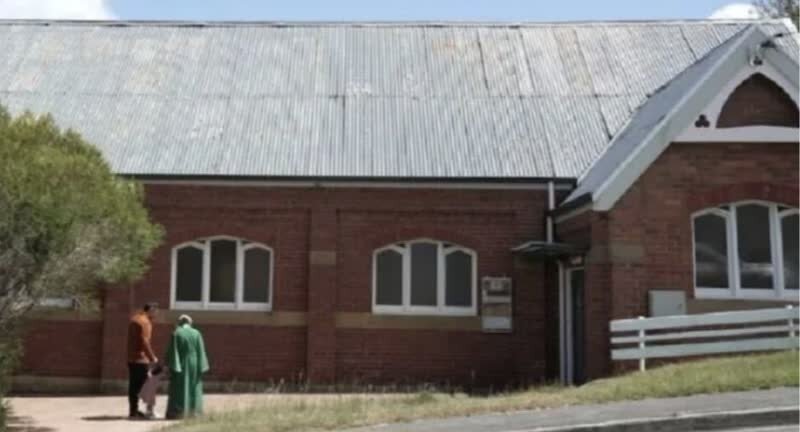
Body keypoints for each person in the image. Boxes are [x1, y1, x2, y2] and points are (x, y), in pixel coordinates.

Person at [166, 314, 209, 419]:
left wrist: (172, 364)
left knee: (179, 387)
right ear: (190, 322)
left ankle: (178, 412)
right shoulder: (196, 333)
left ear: (179, 322)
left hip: (181, 363)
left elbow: (173, 351)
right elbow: (201, 350)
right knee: (194, 386)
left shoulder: (176, 333)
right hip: (194, 362)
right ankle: (194, 412)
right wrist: (202, 365)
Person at [127, 302, 159, 419]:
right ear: (150, 310)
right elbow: (144, 341)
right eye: (155, 311)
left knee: (133, 386)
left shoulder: (134, 319)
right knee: (150, 383)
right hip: (141, 360)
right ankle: (149, 411)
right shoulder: (145, 322)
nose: (156, 314)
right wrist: (152, 358)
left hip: (131, 359)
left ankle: (133, 411)